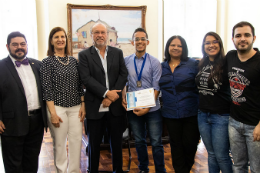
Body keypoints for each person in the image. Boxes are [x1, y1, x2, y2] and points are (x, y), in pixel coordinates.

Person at [78, 23, 128, 173]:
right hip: (94, 106)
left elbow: (123, 74)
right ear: (92, 35)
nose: (100, 35)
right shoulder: (84, 55)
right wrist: (106, 93)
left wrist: (112, 97)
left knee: (117, 143)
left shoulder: (117, 53)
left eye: (103, 32)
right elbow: (86, 79)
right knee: (94, 144)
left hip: (115, 106)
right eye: (96, 32)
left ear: (107, 34)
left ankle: (117, 170)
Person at [0, 31, 47, 173]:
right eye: (15, 44)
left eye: (22, 44)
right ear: (8, 46)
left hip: (37, 122)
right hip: (11, 123)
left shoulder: (38, 65)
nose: (19, 47)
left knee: (32, 161)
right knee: (13, 164)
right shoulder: (1, 67)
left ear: (27, 45)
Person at [40, 27, 85, 173]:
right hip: (57, 108)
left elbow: (80, 85)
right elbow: (47, 89)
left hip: (76, 107)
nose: (60, 40)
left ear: (66, 40)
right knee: (59, 144)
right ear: (51, 41)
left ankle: (74, 171)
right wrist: (52, 113)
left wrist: (83, 105)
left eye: (63, 37)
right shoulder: (47, 62)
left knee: (76, 141)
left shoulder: (73, 61)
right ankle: (61, 171)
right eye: (56, 37)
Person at [122, 28, 166, 173]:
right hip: (134, 108)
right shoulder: (126, 61)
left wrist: (147, 107)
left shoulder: (154, 62)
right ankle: (143, 169)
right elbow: (124, 83)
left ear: (147, 42)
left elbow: (157, 86)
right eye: (136, 39)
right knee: (139, 141)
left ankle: (160, 170)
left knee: (156, 142)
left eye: (142, 39)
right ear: (132, 42)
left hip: (152, 109)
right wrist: (123, 96)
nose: (139, 41)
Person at [159, 35, 200, 173]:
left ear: (184, 48)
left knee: (190, 145)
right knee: (176, 146)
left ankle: (185, 170)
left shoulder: (193, 64)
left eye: (179, 45)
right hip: (170, 113)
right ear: (168, 47)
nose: (176, 48)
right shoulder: (161, 67)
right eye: (172, 45)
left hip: (191, 112)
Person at [195, 32, 232, 173]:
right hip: (203, 115)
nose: (211, 45)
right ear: (203, 46)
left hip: (221, 116)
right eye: (207, 43)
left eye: (214, 42)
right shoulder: (201, 63)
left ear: (220, 44)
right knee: (211, 154)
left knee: (222, 156)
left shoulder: (227, 63)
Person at [227, 21, 260, 173]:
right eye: (238, 35)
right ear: (233, 39)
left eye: (247, 35)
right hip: (234, 122)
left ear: (254, 38)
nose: (242, 39)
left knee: (256, 167)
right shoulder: (230, 56)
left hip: (255, 125)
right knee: (238, 165)